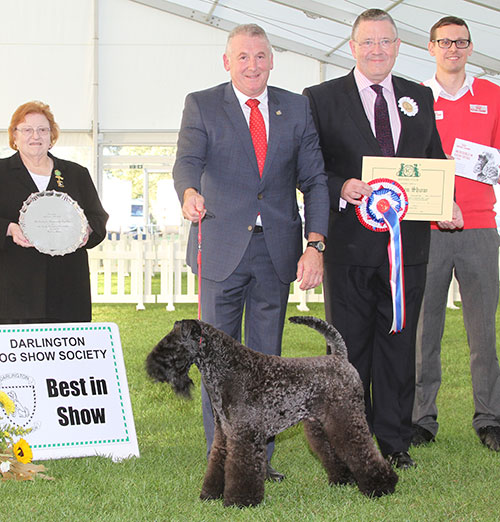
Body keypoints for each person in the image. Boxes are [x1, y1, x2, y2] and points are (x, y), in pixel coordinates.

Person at [173, 24, 329, 480]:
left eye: (260, 56)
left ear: (272, 60)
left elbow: (315, 180)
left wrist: (315, 244)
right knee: (217, 366)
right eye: (242, 57)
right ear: (227, 62)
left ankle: (258, 461)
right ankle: (220, 461)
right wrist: (186, 191)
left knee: (266, 364)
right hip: (218, 248)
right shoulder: (201, 104)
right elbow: (188, 160)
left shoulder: (297, 108)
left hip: (276, 252)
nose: (252, 65)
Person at [303, 9, 446, 469]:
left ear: (398, 47)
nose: (377, 50)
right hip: (348, 248)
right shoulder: (320, 98)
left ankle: (394, 440)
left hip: (409, 251)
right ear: (352, 46)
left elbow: (434, 160)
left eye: (385, 42)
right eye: (368, 42)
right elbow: (308, 169)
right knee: (347, 350)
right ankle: (349, 441)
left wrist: (448, 201)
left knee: (399, 344)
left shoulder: (419, 96)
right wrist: (341, 185)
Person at [412, 16, 500, 452]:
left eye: (461, 42)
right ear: (430, 47)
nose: (453, 49)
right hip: (426, 230)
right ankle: (421, 418)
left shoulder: (493, 95)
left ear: (470, 48)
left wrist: (482, 165)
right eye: (445, 42)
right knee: (424, 329)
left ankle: (490, 417)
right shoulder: (414, 99)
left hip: (481, 227)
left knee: (483, 330)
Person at [0, 101, 108, 323]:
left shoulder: (76, 174)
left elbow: (98, 218)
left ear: (52, 136)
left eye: (42, 129)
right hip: (14, 288)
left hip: (68, 287)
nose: (35, 136)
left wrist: (86, 231)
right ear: (14, 136)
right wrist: (9, 229)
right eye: (27, 130)